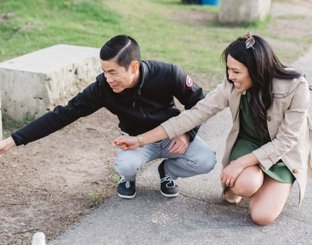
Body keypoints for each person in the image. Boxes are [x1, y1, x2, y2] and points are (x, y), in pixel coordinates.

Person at [0, 35, 218, 199]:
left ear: (134, 67)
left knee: (206, 160)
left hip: (171, 136)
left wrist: (187, 133)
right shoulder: (102, 88)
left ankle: (167, 173)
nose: (108, 78)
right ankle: (128, 179)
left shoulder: (168, 74)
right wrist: (12, 140)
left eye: (113, 72)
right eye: (104, 71)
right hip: (134, 141)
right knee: (126, 165)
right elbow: (63, 114)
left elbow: (199, 101)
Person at [114, 33, 311, 226]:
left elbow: (286, 141)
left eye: (236, 71)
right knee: (246, 185)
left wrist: (239, 164)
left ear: (256, 69)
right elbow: (194, 115)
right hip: (250, 143)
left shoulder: (296, 87)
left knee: (261, 217)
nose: (230, 76)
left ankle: (263, 181)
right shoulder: (231, 86)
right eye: (228, 70)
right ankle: (251, 182)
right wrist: (140, 140)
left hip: (282, 155)